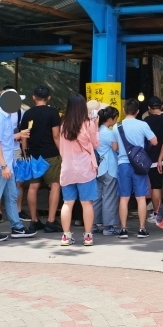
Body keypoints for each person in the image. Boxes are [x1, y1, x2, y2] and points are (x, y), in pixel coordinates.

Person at [0, 90, 36, 242]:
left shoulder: (5, 118)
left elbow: (2, 139)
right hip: (1, 166)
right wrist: (4, 166)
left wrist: (18, 135)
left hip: (6, 165)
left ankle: (17, 227)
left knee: (12, 195)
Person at [57, 95, 100, 247]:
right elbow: (95, 144)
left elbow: (62, 148)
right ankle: (88, 236)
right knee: (86, 203)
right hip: (85, 169)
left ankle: (66, 236)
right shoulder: (88, 124)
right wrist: (95, 123)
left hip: (67, 168)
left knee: (67, 203)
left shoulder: (63, 126)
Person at [19, 86, 63, 232]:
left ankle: (34, 220)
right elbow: (56, 135)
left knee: (33, 187)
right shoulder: (53, 112)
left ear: (33, 97)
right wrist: (62, 152)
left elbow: (24, 136)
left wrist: (25, 153)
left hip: (34, 155)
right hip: (51, 154)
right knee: (55, 185)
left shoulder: (28, 114)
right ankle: (51, 221)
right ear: (49, 97)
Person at [115, 99, 157, 240]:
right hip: (139, 164)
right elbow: (155, 141)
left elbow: (114, 147)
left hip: (123, 164)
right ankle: (142, 229)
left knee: (124, 198)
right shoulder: (142, 124)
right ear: (138, 111)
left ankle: (123, 229)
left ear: (123, 110)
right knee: (140, 198)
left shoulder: (117, 126)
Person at [143, 96, 163, 220]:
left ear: (149, 108)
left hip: (154, 158)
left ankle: (158, 214)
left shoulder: (146, 121)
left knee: (156, 186)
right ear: (161, 106)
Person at [93, 106, 120, 235]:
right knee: (109, 196)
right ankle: (108, 227)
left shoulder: (95, 131)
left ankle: (94, 224)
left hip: (98, 168)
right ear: (110, 119)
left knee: (97, 197)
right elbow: (116, 148)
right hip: (109, 167)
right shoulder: (109, 133)